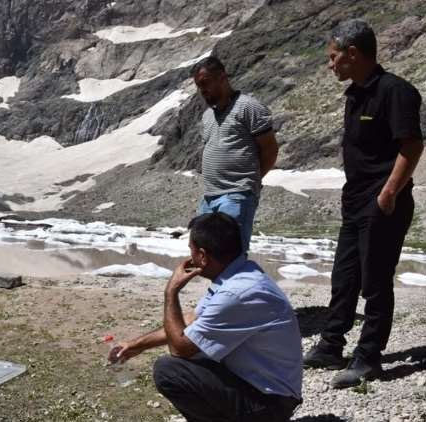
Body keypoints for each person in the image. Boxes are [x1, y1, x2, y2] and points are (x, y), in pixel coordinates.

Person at [303, 19, 424, 389]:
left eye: (333, 56)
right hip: (354, 201)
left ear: (352, 53)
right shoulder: (355, 93)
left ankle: (369, 358)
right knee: (344, 278)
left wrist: (388, 193)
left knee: (374, 282)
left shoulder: (395, 91)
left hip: (382, 203)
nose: (330, 64)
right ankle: (331, 344)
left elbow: (412, 145)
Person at [111, 212, 302, 422]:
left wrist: (171, 291)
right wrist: (136, 345)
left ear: (202, 256)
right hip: (267, 390)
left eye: (191, 251)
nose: (190, 258)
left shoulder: (236, 293)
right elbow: (193, 319)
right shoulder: (240, 273)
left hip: (270, 404)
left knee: (169, 370)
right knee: (198, 353)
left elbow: (180, 348)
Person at [191, 56, 279, 253]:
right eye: (198, 86)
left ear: (222, 78)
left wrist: (249, 181)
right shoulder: (207, 116)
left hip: (237, 195)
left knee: (230, 254)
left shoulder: (248, 107)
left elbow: (270, 150)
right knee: (206, 253)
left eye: (205, 83)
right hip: (209, 197)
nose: (202, 90)